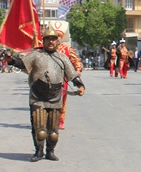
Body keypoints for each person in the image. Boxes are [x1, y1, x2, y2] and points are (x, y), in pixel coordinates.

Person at [5, 24, 85, 161]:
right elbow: (21, 63)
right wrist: (11, 60)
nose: (51, 42)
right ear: (44, 40)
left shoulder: (62, 58)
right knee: (39, 129)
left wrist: (80, 85)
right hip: (38, 95)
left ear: (57, 41)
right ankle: (39, 151)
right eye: (48, 39)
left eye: (53, 39)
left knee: (53, 132)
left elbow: (72, 74)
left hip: (55, 96)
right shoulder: (36, 55)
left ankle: (50, 151)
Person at [52, 22, 83, 130]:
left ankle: (60, 120)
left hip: (62, 79)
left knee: (62, 99)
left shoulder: (67, 49)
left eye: (58, 37)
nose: (56, 39)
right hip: (48, 78)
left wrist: (77, 70)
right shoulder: (46, 48)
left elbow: (76, 61)